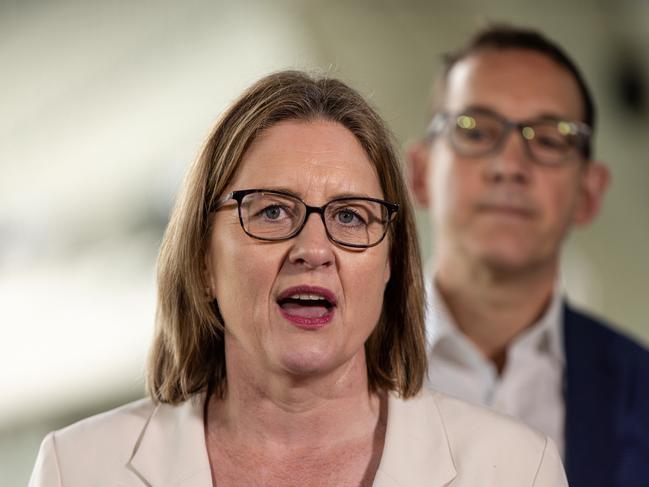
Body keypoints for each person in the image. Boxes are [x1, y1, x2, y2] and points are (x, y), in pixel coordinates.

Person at [29, 70, 567, 486]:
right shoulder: (77, 469)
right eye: (270, 212)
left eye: (351, 216)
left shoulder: (516, 469)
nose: (313, 249)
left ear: (390, 266)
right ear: (201, 260)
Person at [407, 25, 649, 487]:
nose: (511, 165)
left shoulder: (642, 392)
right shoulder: (330, 365)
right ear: (420, 173)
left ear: (589, 193)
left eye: (551, 138)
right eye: (474, 130)